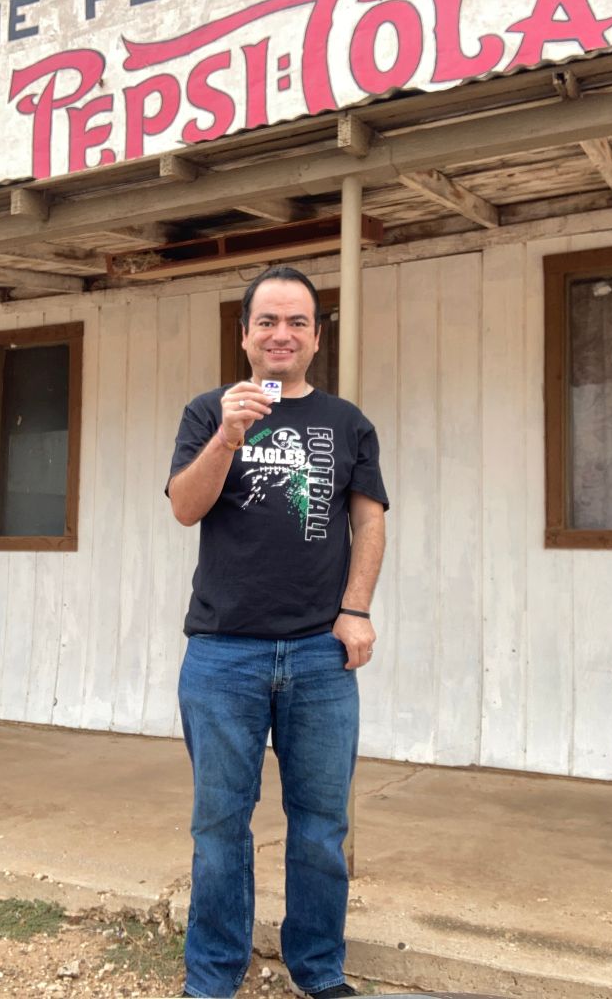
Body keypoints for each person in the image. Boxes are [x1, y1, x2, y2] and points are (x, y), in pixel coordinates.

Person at [167, 265, 388, 999]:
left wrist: (353, 608)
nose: (281, 334)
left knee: (321, 827)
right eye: (266, 321)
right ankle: (213, 977)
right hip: (223, 652)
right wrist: (228, 435)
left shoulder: (346, 422)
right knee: (219, 828)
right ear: (244, 335)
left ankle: (319, 972)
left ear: (316, 338)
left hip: (320, 656)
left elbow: (367, 518)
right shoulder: (208, 412)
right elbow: (185, 508)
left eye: (296, 321)